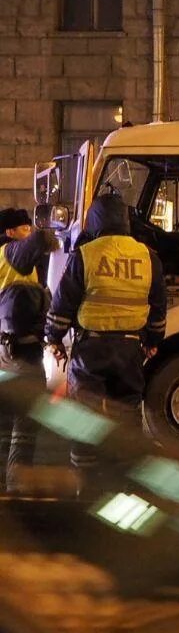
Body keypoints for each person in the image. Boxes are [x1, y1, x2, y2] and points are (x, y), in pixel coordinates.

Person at [45, 194, 166, 496]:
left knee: (85, 416)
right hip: (129, 349)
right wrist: (152, 342)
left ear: (94, 221)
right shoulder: (148, 256)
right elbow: (158, 308)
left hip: (91, 350)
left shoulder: (85, 254)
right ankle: (126, 483)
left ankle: (86, 486)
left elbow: (63, 305)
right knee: (127, 412)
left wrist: (54, 338)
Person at [0, 208, 57, 494]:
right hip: (21, 351)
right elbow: (43, 239)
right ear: (10, 232)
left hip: (4, 349)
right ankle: (16, 484)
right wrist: (53, 234)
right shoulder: (11, 252)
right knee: (25, 417)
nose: (29, 233)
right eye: (24, 228)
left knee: (5, 418)